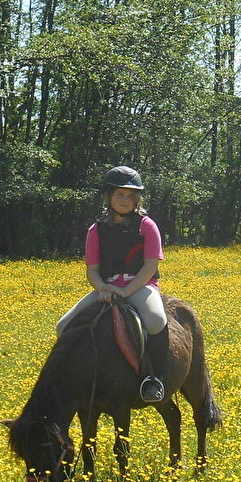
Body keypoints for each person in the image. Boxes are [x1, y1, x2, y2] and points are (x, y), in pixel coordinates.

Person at [56, 166, 167, 403]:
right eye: (119, 194)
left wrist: (126, 291)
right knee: (63, 326)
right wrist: (103, 289)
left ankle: (153, 377)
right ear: (108, 196)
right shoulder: (96, 230)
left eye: (130, 195)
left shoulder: (146, 225)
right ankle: (70, 376)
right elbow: (92, 270)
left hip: (140, 286)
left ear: (137, 199)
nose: (125, 200)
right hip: (106, 287)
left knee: (156, 321)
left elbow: (149, 265)